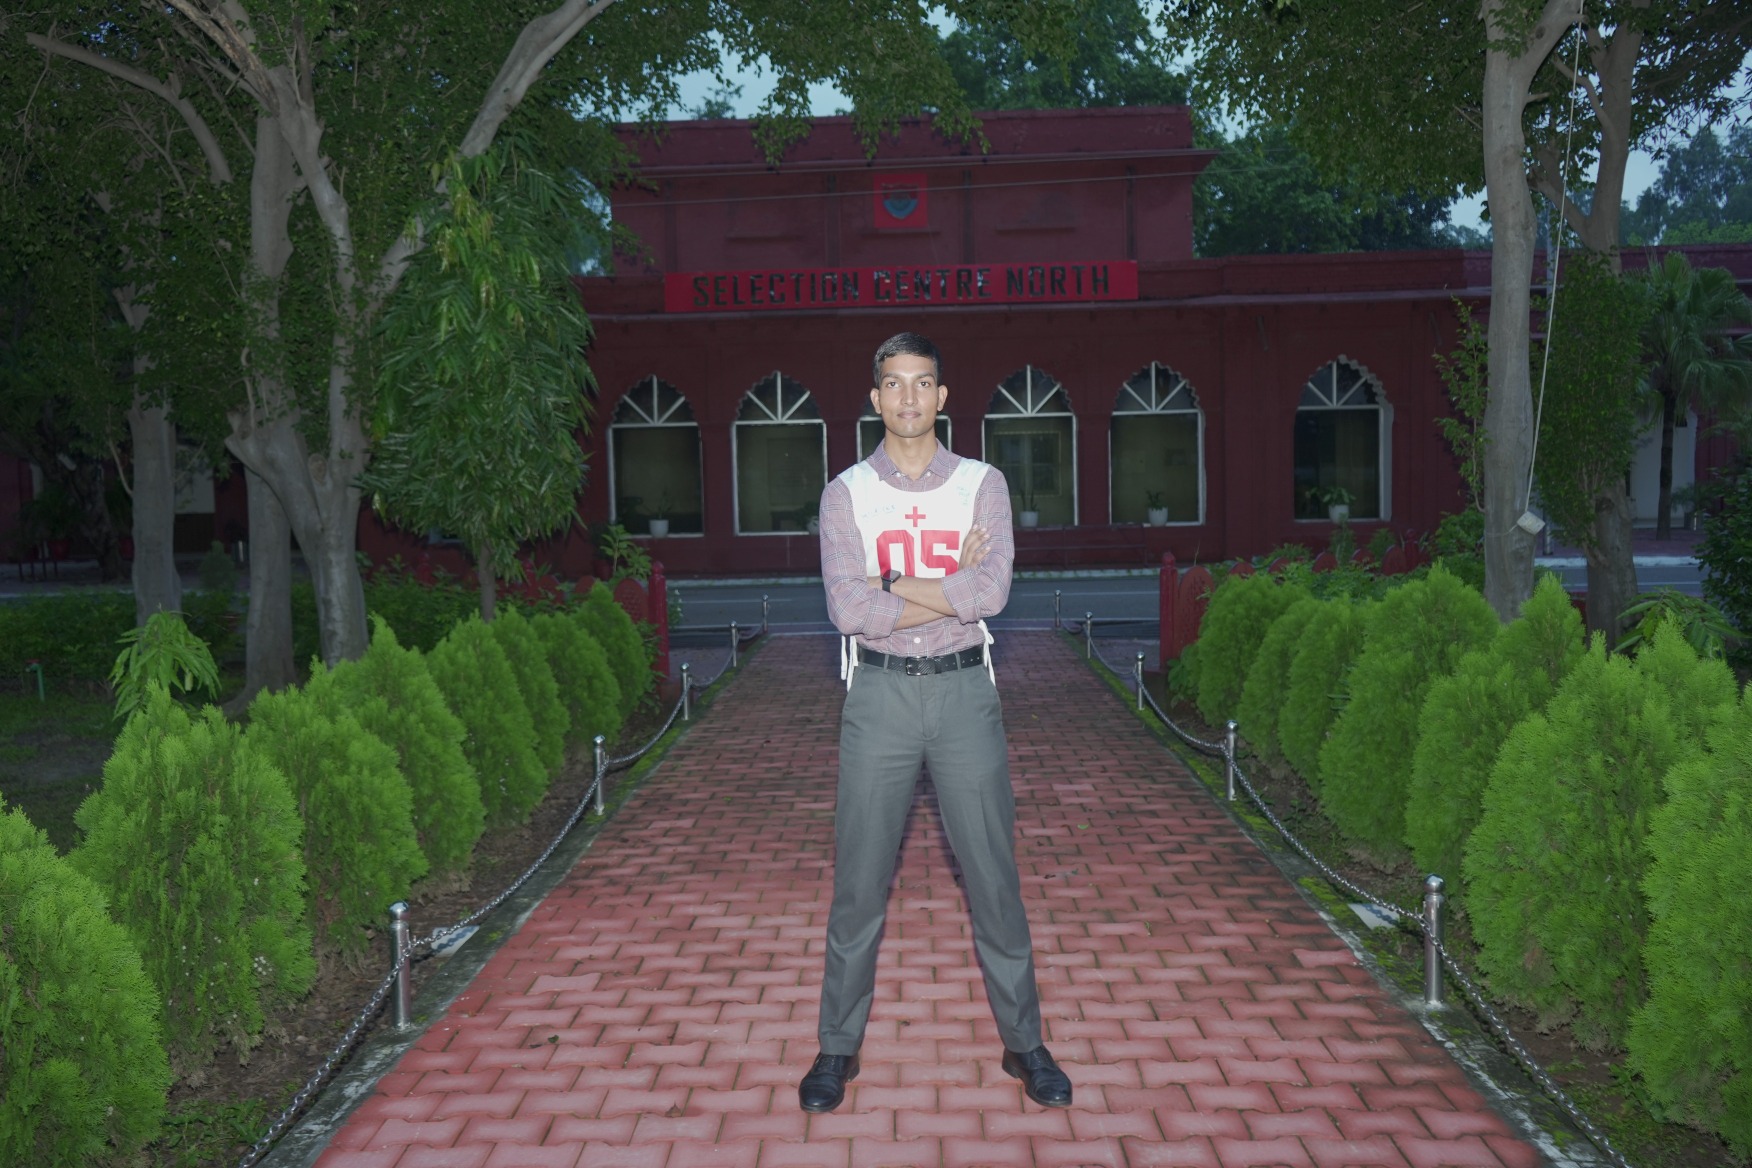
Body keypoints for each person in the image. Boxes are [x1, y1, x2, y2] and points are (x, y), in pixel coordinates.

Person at [800, 331, 1071, 1114]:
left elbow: (994, 594)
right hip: (878, 698)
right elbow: (847, 609)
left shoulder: (982, 484)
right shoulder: (846, 493)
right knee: (859, 885)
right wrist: (948, 581)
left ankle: (1025, 1044)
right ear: (876, 397)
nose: (909, 397)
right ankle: (837, 1048)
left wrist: (890, 582)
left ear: (942, 397)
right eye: (895, 383)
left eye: (923, 383)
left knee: (993, 879)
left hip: (963, 696)